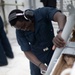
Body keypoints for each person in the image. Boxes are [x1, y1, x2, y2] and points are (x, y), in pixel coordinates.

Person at [8, 7, 66, 75]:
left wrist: (61, 31)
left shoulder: (41, 13)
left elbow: (60, 16)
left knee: (57, 71)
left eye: (24, 25)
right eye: (21, 28)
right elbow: (26, 51)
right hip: (36, 55)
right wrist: (40, 65)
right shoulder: (19, 31)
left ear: (27, 17)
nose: (24, 29)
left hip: (52, 51)